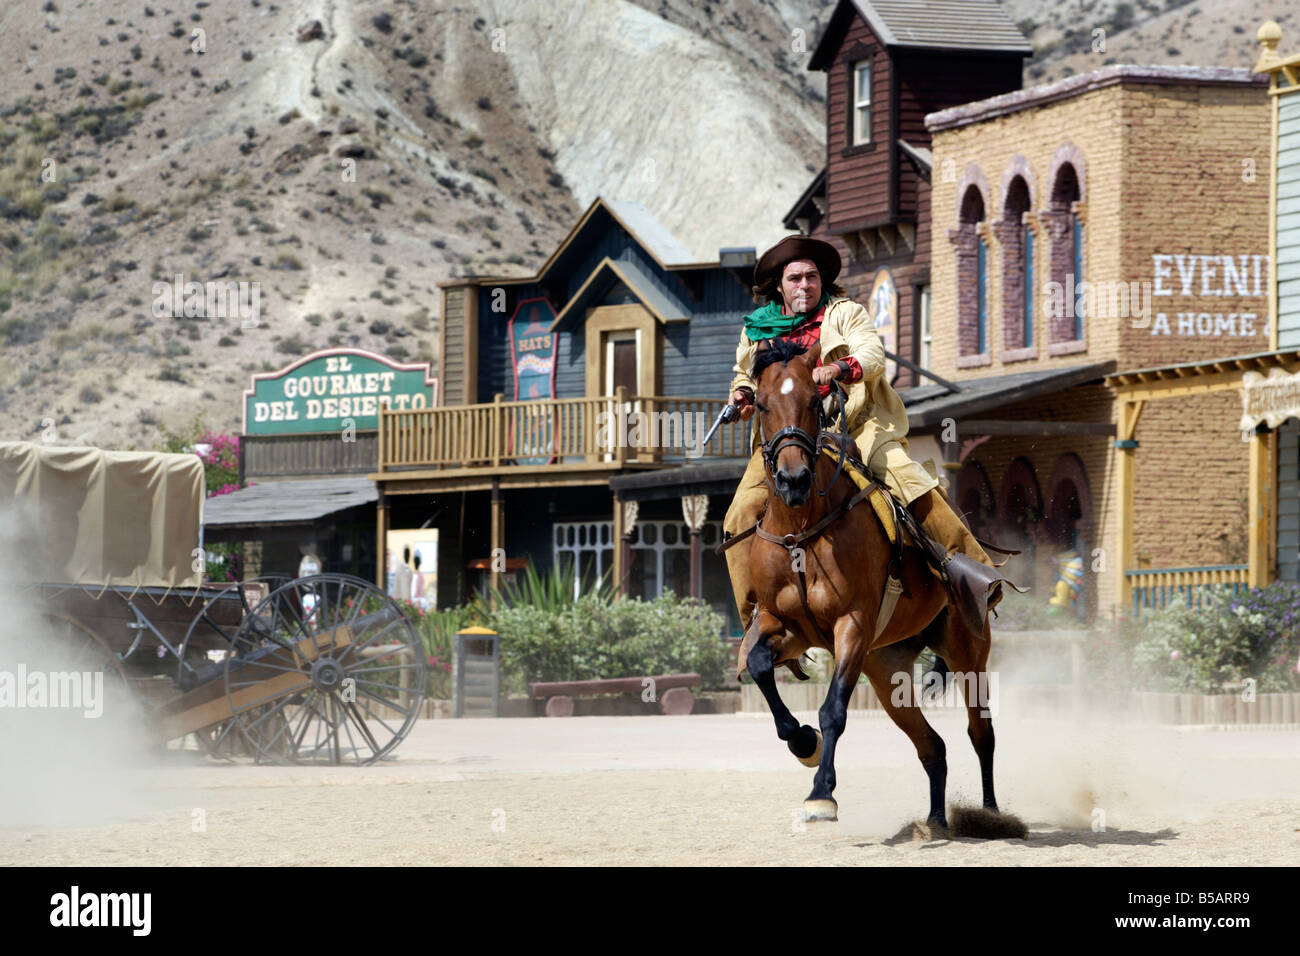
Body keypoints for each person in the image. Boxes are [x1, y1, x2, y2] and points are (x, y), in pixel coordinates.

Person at [721, 234, 1006, 636]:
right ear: (779, 286)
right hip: (787, 439)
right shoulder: (756, 330)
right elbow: (743, 375)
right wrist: (742, 396)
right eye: (796, 278)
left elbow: (873, 355)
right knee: (737, 515)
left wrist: (837, 369)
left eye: (812, 277)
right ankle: (755, 618)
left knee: (908, 481)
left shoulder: (845, 313)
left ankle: (975, 576)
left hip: (855, 426)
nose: (805, 285)